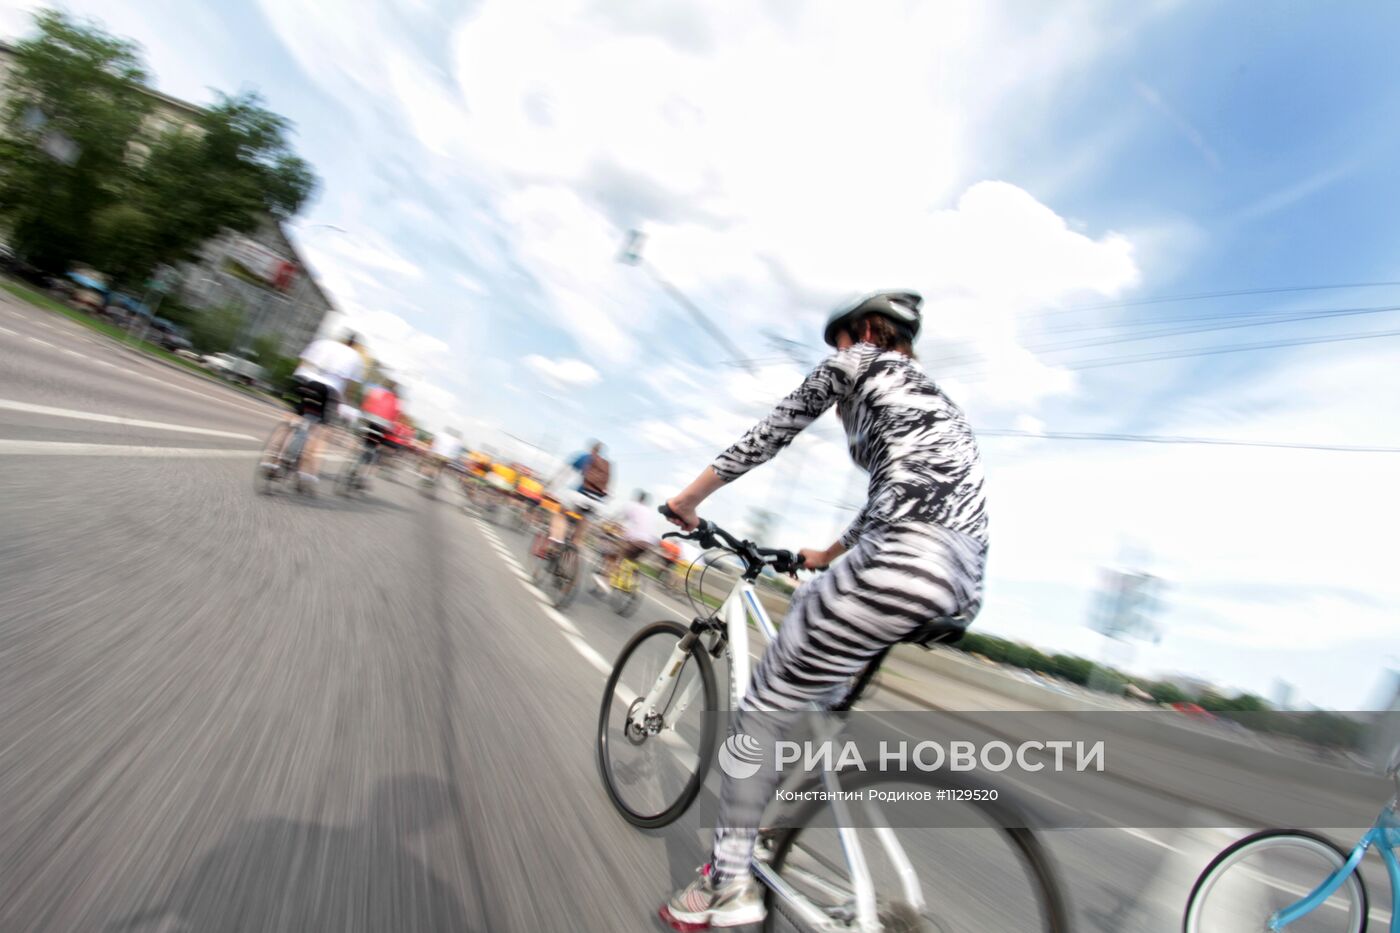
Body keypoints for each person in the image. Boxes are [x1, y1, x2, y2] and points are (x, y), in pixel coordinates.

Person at [659, 291, 989, 929]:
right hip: (956, 578)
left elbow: (770, 434)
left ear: (863, 330)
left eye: (837, 339)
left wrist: (688, 501)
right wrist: (828, 553)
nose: (835, 352)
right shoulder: (937, 400)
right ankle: (774, 824)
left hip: (897, 561)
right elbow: (903, 491)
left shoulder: (856, 362)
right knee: (814, 674)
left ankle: (727, 883)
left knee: (760, 712)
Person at [261, 330, 365, 489]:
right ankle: (304, 471)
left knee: (291, 418)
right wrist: (343, 403)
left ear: (342, 339)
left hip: (305, 382)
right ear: (355, 344)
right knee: (317, 430)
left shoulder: (322, 343)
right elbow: (349, 385)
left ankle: (272, 460)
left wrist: (298, 383)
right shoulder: (356, 357)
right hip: (329, 390)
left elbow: (302, 363)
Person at [593, 490, 660, 595]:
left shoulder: (632, 505)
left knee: (615, 556)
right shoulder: (650, 512)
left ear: (638, 498)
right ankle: (630, 582)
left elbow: (616, 519)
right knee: (632, 559)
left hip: (636, 539)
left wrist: (607, 525)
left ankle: (606, 580)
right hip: (650, 543)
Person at [547, 440, 611, 547]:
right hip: (597, 502)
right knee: (585, 520)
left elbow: (564, 473)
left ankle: (557, 539)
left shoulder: (585, 457)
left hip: (580, 496)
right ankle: (576, 542)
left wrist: (551, 486)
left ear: (592, 449)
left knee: (561, 514)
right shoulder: (605, 465)